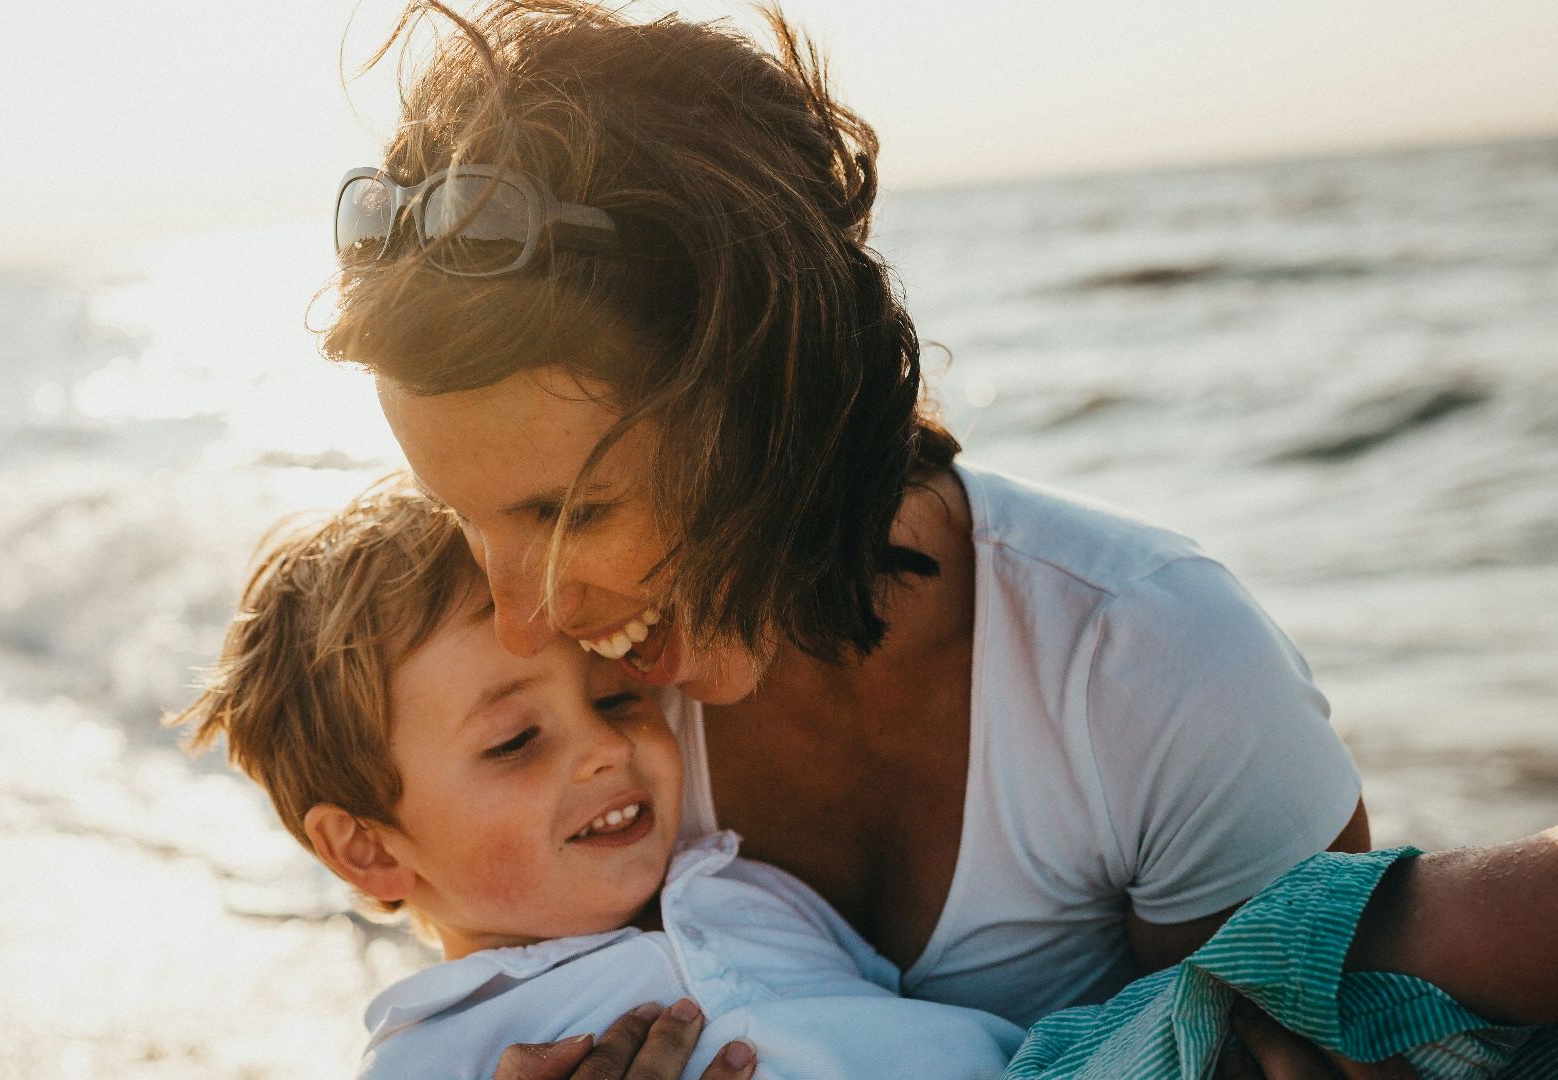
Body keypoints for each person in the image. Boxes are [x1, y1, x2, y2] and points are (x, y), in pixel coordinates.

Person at [323, 4, 1370, 1070]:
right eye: (462, 515)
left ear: (778, 407)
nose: (522, 616)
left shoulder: (1153, 669)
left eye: (572, 514)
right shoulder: (579, 729)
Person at [171, 480, 1558, 1079]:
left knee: (1408, 937)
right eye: (514, 742)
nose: (606, 744)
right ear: (366, 852)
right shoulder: (444, 1047)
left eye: (608, 693)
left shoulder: (729, 881)